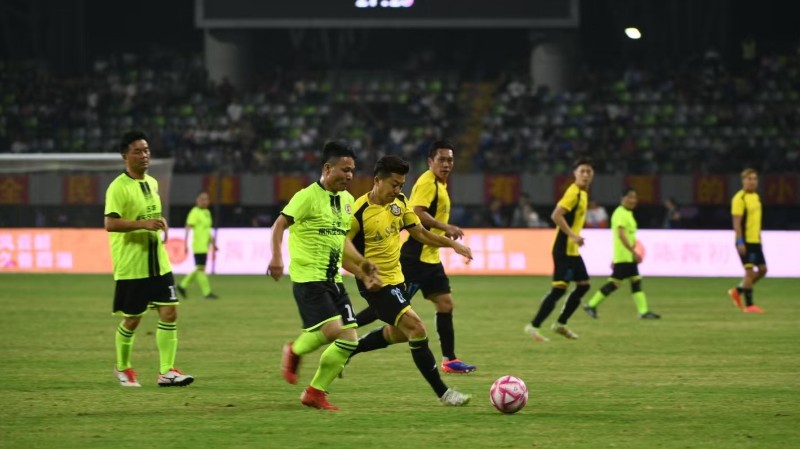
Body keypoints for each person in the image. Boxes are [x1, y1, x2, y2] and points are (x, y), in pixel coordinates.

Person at [345, 155, 474, 406]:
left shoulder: (400, 203)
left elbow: (421, 233)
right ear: (377, 181)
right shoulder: (358, 212)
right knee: (416, 328)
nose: (398, 190)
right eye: (394, 184)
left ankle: (348, 348)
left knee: (401, 333)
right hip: (375, 283)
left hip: (397, 279)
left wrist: (452, 245)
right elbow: (342, 251)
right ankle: (444, 393)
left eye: (401, 185)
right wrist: (363, 274)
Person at [268, 141, 380, 411]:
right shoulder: (306, 196)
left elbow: (342, 242)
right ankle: (294, 351)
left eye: (352, 170)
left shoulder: (347, 201)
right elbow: (279, 224)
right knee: (332, 330)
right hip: (309, 277)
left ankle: (315, 392)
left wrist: (362, 265)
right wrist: (277, 257)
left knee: (349, 340)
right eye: (344, 170)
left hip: (334, 280)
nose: (350, 175)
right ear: (328, 168)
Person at [104, 130, 194, 388]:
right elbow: (110, 223)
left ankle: (167, 371)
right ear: (125, 156)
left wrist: (159, 222)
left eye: (146, 150)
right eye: (137, 151)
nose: (144, 155)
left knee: (170, 312)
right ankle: (123, 367)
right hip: (133, 265)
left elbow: (150, 216)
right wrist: (143, 224)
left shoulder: (152, 183)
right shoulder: (118, 187)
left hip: (158, 263)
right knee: (133, 319)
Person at [396, 140, 476, 373]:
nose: (446, 164)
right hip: (415, 258)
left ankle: (450, 360)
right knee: (390, 311)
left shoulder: (440, 184)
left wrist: (444, 231)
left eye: (450, 160)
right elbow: (416, 213)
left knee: (445, 303)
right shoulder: (427, 182)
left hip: (430, 259)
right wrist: (445, 227)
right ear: (430, 161)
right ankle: (349, 339)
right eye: (441, 160)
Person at [525, 157, 595, 342]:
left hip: (572, 250)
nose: (585, 175)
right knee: (559, 289)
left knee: (584, 285)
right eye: (582, 171)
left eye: (588, 171)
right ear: (575, 174)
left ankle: (560, 324)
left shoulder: (583, 194)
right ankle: (534, 326)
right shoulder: (573, 193)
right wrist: (573, 235)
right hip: (563, 248)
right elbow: (556, 215)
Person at [583, 187, 661, 320]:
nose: (633, 200)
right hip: (625, 256)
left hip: (625, 256)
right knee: (618, 283)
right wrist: (633, 252)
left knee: (633, 281)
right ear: (622, 199)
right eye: (630, 197)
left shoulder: (627, 213)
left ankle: (643, 311)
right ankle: (591, 305)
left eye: (634, 197)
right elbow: (621, 235)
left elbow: (627, 236)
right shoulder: (620, 213)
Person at [727, 168, 767, 314]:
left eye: (755, 179)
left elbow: (755, 221)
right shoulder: (739, 198)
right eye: (749, 179)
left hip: (755, 240)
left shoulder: (756, 197)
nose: (752, 182)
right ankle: (749, 305)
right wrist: (739, 241)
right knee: (749, 272)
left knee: (762, 270)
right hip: (745, 241)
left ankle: (738, 291)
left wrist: (759, 237)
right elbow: (737, 223)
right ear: (743, 180)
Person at [177, 191, 219, 300]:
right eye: (202, 199)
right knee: (200, 268)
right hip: (198, 245)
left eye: (207, 199)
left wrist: (213, 243)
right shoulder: (194, 212)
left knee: (200, 269)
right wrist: (185, 244)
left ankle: (183, 286)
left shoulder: (207, 212)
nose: (205, 201)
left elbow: (207, 230)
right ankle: (204, 292)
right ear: (197, 200)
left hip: (205, 246)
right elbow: (188, 228)